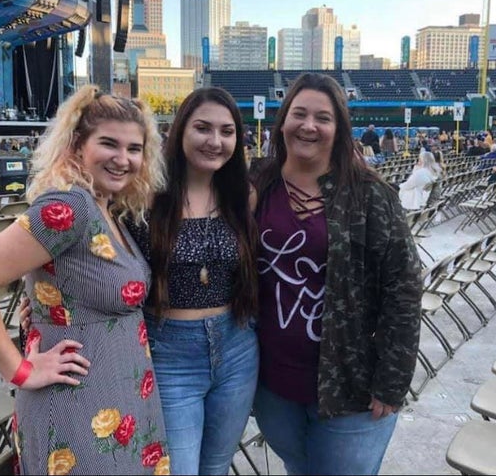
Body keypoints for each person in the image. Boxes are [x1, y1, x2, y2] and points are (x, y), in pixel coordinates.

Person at [0, 85, 170, 475]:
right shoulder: (70, 205)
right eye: (109, 144)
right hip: (77, 406)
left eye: (134, 149)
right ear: (77, 145)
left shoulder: (106, 207)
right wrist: (19, 370)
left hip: (122, 397)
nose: (123, 158)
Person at [252, 73, 422, 475]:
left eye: (322, 118)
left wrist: (392, 381)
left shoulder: (370, 194)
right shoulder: (257, 183)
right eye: (299, 114)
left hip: (351, 387)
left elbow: (404, 288)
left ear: (339, 129)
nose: (309, 126)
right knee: (299, 468)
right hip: (272, 383)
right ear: (282, 122)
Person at [129, 87, 259, 475]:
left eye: (227, 131)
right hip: (169, 351)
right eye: (203, 128)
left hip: (237, 346)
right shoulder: (144, 197)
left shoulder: (242, 196)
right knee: (179, 468)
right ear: (180, 130)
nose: (215, 141)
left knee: (217, 465)